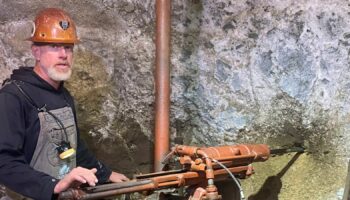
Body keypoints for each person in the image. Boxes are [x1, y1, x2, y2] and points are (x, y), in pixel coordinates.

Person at [0, 8, 129, 200]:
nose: (63, 54)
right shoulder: (13, 96)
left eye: (68, 47)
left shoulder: (64, 95)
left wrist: (106, 174)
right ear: (36, 52)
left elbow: (73, 146)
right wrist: (53, 186)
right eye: (54, 46)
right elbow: (4, 162)